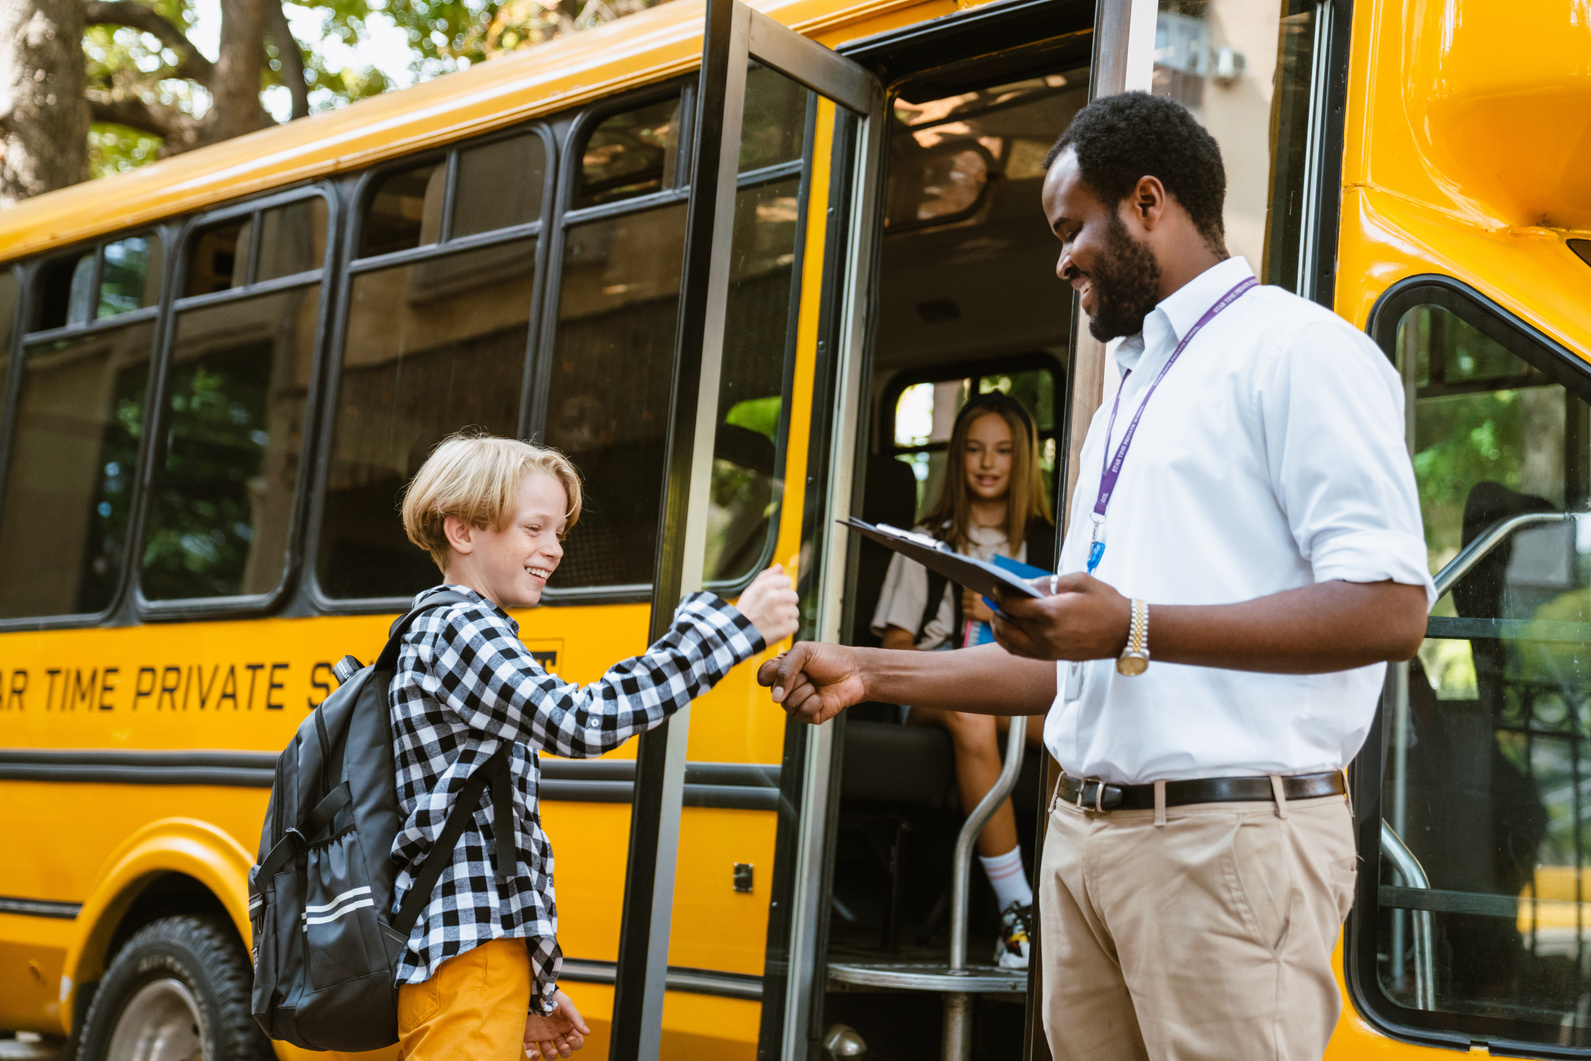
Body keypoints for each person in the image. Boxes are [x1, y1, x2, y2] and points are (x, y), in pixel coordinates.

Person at [760, 91, 1435, 1061]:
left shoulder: (1299, 351)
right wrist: (872, 670)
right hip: (1082, 839)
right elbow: (1073, 659)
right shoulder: (1126, 388)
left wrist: (1133, 625)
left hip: (1227, 843)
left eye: (1071, 226)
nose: (1061, 257)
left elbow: (1389, 609)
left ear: (1148, 201)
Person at [391, 432, 800, 1061]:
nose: (553, 550)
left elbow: (488, 832)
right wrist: (734, 628)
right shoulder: (459, 628)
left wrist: (527, 986)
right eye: (534, 529)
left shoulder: (448, 627)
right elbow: (582, 722)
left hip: (478, 960)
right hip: (467, 962)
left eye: (559, 533)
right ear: (463, 531)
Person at [870, 392, 1054, 968]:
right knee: (971, 711)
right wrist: (960, 639)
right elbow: (896, 648)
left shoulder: (1050, 544)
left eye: (1002, 450)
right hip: (936, 692)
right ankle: (1016, 911)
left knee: (1076, 727)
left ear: (1022, 460)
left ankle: (1066, 900)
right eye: (974, 449)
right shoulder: (926, 539)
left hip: (1018, 693)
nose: (987, 462)